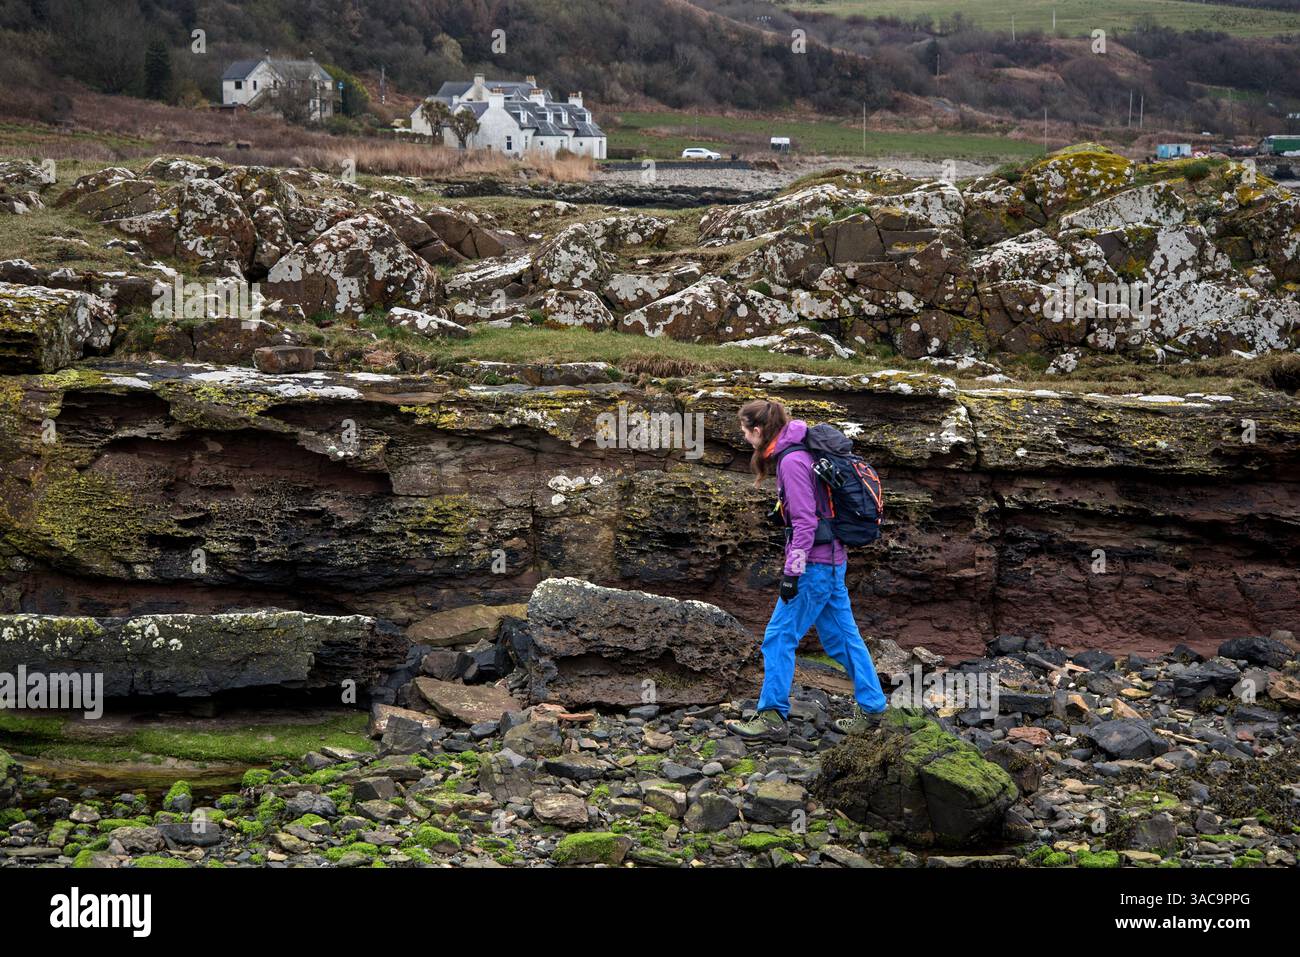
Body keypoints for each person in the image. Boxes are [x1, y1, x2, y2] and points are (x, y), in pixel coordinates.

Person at [726, 398, 889, 742]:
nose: (743, 437)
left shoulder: (792, 460)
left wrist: (791, 573)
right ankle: (873, 707)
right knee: (841, 639)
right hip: (832, 560)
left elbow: (804, 523)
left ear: (758, 430)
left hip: (814, 564)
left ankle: (771, 717)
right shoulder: (800, 450)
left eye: (744, 431)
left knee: (778, 637)